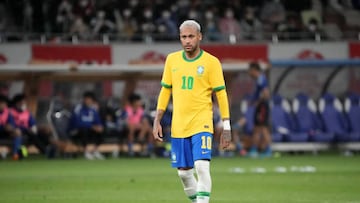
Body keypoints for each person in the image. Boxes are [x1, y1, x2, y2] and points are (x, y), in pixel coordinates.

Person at [153, 20, 232, 203]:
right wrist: (157, 120)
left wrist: (226, 127)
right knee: (184, 174)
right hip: (179, 125)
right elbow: (165, 90)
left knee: (202, 167)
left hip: (202, 122)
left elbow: (221, 94)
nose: (187, 41)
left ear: (199, 37)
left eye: (191, 36)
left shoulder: (211, 62)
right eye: (183, 37)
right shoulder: (172, 60)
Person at [68, 91, 105, 160]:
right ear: (84, 99)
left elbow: (97, 121)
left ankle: (94, 151)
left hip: (90, 130)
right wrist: (92, 126)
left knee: (102, 131)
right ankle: (86, 152)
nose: (88, 101)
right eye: (87, 99)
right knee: (84, 130)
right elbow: (77, 122)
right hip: (76, 131)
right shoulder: (78, 109)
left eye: (90, 99)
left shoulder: (93, 110)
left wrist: (100, 126)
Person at [247, 62, 271, 157]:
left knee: (263, 128)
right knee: (257, 128)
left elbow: (266, 93)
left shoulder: (261, 79)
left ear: (254, 70)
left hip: (262, 107)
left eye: (250, 71)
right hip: (260, 106)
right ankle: (254, 149)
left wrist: (258, 102)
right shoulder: (259, 79)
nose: (249, 73)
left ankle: (268, 149)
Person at [0, 95, 23, 160]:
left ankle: (15, 154)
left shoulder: (7, 112)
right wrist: (3, 127)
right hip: (2, 129)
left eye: (5, 104)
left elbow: (12, 124)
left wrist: (11, 127)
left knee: (17, 132)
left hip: (5, 132)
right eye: (2, 103)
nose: (4, 105)